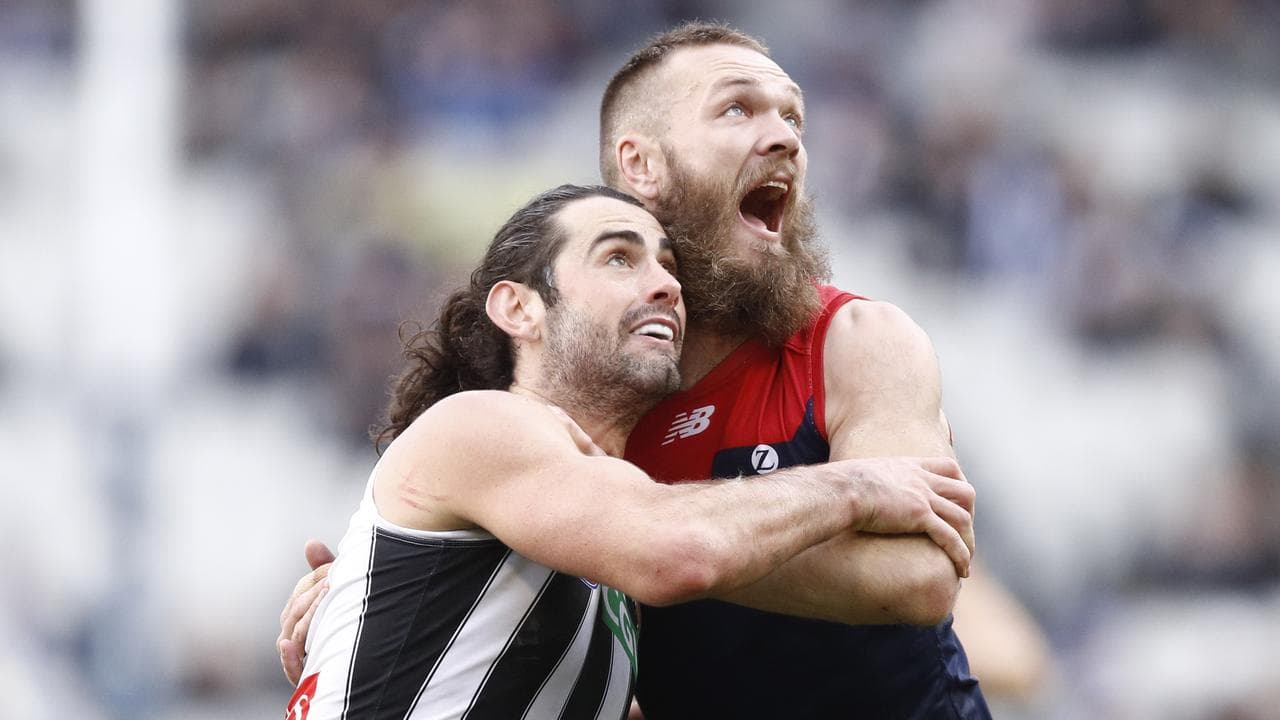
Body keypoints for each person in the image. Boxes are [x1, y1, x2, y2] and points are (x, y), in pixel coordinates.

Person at [283, 184, 976, 720]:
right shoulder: (480, 426)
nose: (667, 285)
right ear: (518, 308)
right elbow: (679, 550)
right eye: (619, 256)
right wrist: (855, 485)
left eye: (669, 265)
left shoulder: (596, 563)